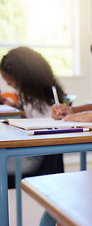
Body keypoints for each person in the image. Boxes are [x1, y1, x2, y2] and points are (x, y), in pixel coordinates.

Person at [1, 47, 66, 186]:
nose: (8, 85)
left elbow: (40, 130)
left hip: (31, 158)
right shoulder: (39, 95)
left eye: (10, 82)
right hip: (32, 154)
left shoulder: (36, 100)